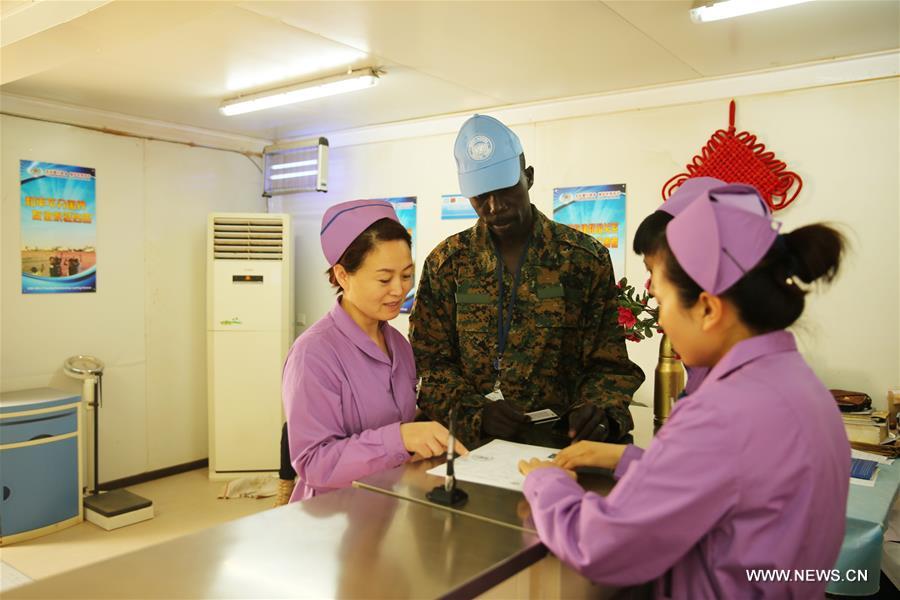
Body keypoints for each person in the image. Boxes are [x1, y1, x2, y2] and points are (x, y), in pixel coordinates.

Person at [519, 183, 851, 598]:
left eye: (661, 300)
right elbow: (734, 484)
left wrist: (546, 485)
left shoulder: (722, 411)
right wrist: (629, 459)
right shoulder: (800, 385)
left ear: (709, 309)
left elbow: (600, 546)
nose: (660, 322)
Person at [410, 114, 644, 448]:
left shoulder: (583, 259)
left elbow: (609, 366)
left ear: (528, 177)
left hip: (558, 444)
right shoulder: (447, 263)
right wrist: (476, 411)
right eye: (480, 197)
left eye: (505, 191)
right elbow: (428, 366)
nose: (494, 207)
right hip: (471, 445)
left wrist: (599, 411)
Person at [282, 199, 466, 502]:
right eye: (384, 278)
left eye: (406, 275)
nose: (399, 290)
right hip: (331, 519)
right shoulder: (313, 355)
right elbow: (314, 463)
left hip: (384, 509)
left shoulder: (399, 346)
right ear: (342, 275)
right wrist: (401, 438)